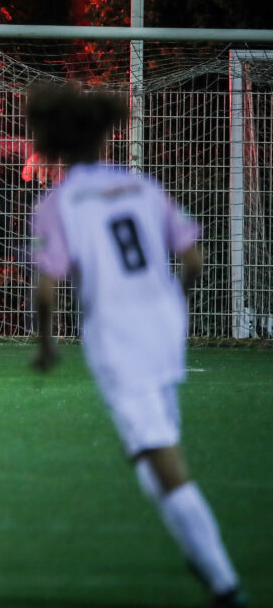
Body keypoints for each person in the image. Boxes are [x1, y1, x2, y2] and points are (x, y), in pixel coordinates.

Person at [27, 83, 246, 608]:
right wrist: (171, 305)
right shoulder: (143, 186)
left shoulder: (59, 203)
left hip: (119, 337)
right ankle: (192, 541)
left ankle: (224, 583)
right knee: (150, 456)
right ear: (104, 138)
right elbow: (193, 259)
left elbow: (46, 287)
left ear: (53, 144)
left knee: (164, 461)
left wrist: (46, 345)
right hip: (165, 327)